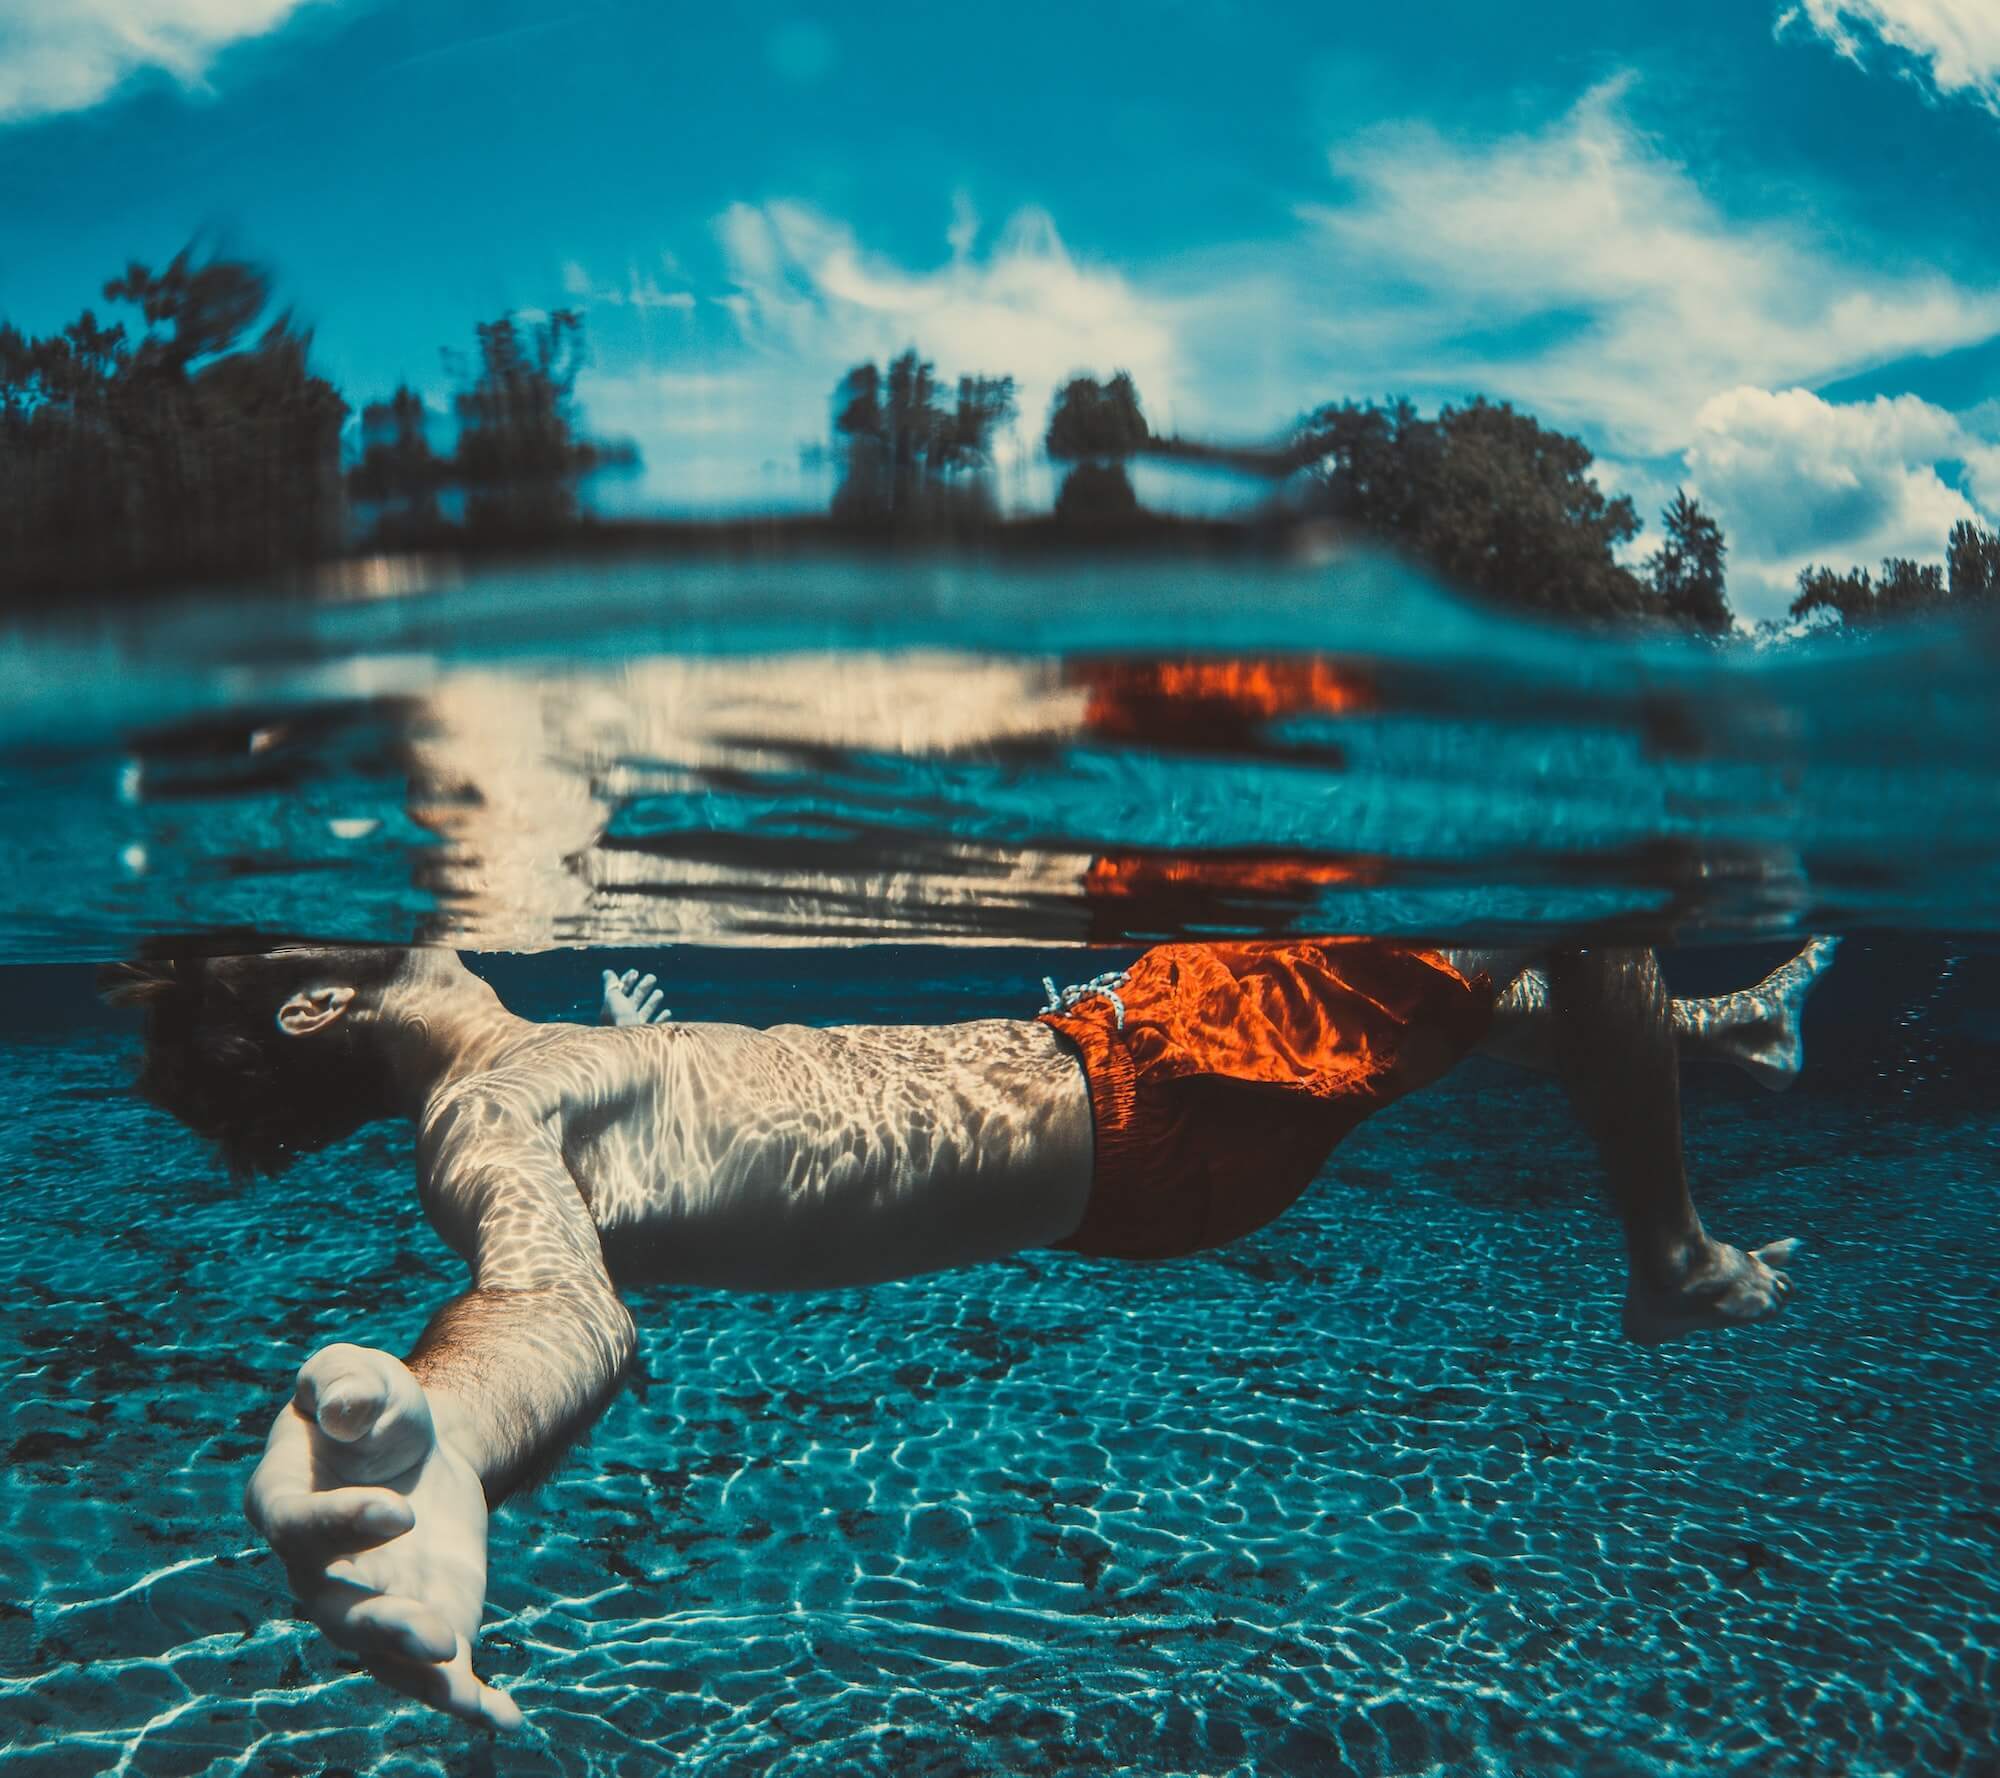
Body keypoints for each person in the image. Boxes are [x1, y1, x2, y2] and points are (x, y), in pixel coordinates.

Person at [102, 932, 1836, 1731]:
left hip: (1131, 1120)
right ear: (316, 995)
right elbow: (551, 1295)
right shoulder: (488, 1112)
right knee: (1584, 901)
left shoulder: (520, 1072)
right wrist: (450, 1439)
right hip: (1144, 1090)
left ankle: (1705, 1032)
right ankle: (1670, 1253)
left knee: (1482, 980)